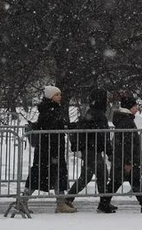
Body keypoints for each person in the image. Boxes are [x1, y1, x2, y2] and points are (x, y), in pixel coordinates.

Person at [98, 91, 142, 213]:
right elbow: (127, 143)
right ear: (130, 107)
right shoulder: (126, 122)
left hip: (123, 158)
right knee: (125, 181)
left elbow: (130, 142)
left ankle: (105, 203)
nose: (137, 108)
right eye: (135, 105)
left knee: (125, 181)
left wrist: (138, 155)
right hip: (125, 159)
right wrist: (128, 161)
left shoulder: (124, 120)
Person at [20, 85, 74, 214]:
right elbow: (53, 127)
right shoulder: (50, 111)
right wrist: (65, 126)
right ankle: (23, 200)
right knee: (44, 174)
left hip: (50, 148)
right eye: (57, 95)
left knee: (50, 174)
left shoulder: (51, 109)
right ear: (50, 96)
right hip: (50, 149)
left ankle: (59, 202)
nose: (59, 97)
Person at [64, 88, 114, 211]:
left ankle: (69, 198)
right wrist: (109, 151)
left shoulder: (91, 112)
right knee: (101, 174)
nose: (107, 101)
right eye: (105, 98)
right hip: (92, 150)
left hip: (90, 149)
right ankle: (103, 202)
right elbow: (103, 135)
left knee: (86, 176)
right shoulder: (98, 114)